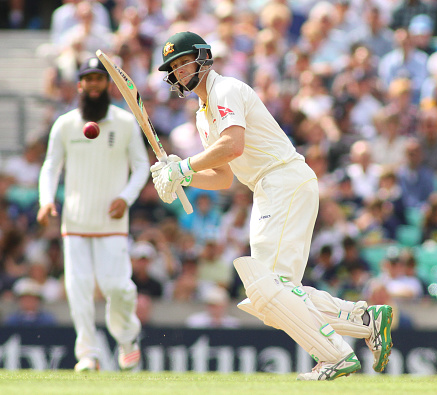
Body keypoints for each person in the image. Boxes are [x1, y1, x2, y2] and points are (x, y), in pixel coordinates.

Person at [149, 31, 393, 380]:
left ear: (203, 57)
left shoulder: (226, 89)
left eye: (183, 61)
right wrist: (182, 177)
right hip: (270, 187)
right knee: (272, 300)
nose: (179, 70)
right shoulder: (203, 116)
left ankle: (336, 355)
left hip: (282, 179)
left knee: (267, 287)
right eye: (173, 66)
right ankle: (364, 319)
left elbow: (233, 145)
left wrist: (185, 166)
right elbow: (223, 177)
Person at [37, 57, 150, 372]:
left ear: (107, 84)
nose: (94, 84)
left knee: (118, 287)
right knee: (79, 288)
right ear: (79, 84)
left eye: (99, 79)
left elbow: (142, 166)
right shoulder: (65, 124)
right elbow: (51, 167)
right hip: (74, 222)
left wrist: (125, 198)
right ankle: (88, 355)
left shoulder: (126, 123)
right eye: (88, 79)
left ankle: (127, 338)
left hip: (112, 222)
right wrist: (46, 200)